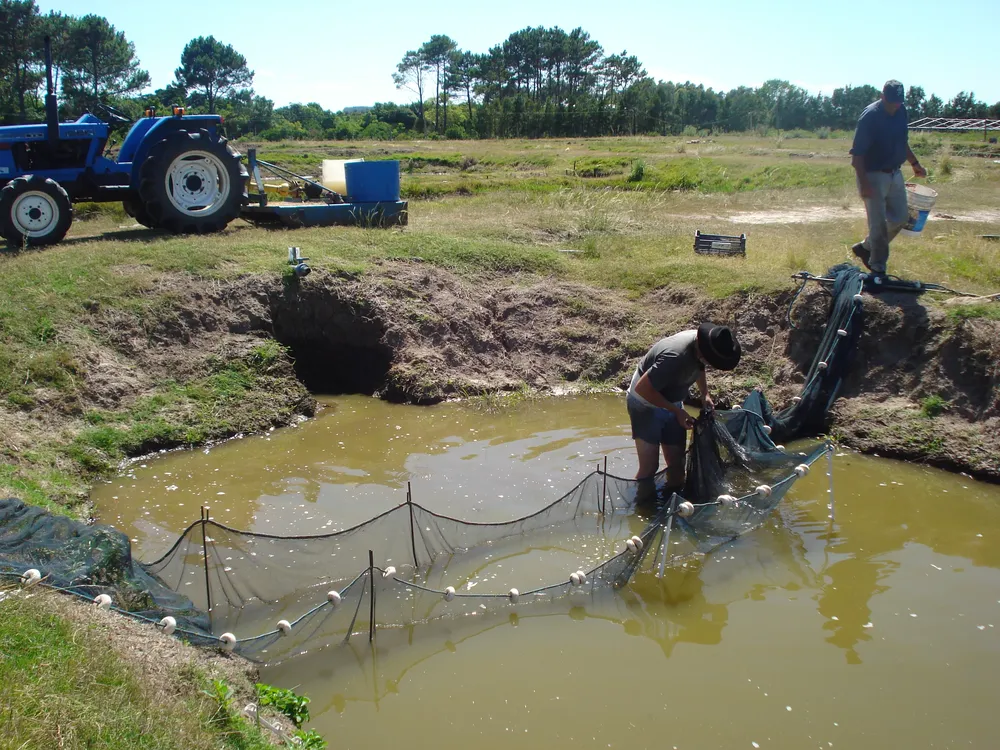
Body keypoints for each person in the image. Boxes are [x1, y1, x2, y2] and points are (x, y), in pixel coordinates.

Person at [626, 323, 742, 496]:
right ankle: (640, 508)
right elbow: (642, 388)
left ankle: (669, 500)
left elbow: (699, 367)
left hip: (673, 401)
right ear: (702, 351)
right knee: (650, 468)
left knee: (677, 466)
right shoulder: (675, 356)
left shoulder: (703, 346)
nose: (708, 364)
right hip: (644, 404)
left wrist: (705, 394)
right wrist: (676, 411)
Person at [850, 80, 928, 280]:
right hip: (872, 174)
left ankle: (866, 247)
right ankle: (878, 268)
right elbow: (857, 155)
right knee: (877, 224)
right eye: (892, 101)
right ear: (882, 96)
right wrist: (864, 184)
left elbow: (902, 142)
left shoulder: (901, 112)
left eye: (899, 101)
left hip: (895, 172)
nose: (896, 105)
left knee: (901, 217)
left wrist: (915, 163)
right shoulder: (870, 117)